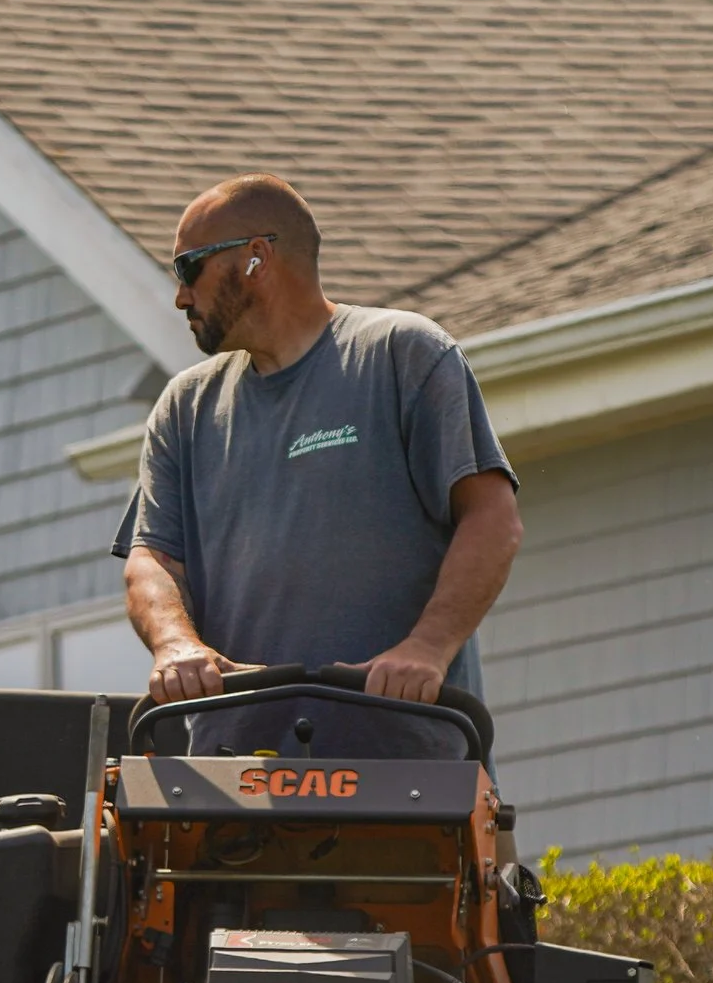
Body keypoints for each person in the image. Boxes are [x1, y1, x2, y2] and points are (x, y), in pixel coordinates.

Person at [113, 173, 523, 759]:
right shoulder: (185, 408)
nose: (181, 297)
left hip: (406, 772)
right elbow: (152, 557)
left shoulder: (402, 353)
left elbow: (492, 520)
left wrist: (426, 650)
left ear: (256, 257)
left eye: (189, 269)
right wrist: (176, 644)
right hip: (235, 789)